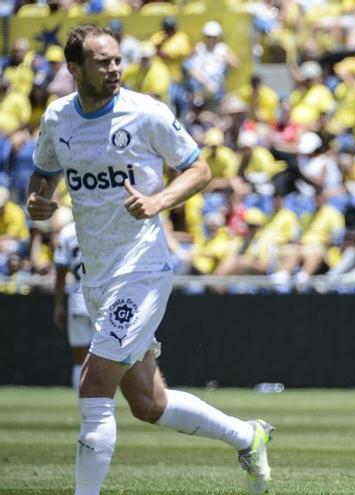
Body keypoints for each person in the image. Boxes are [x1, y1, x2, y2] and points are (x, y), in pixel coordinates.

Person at [26, 25, 272, 495]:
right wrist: (38, 203)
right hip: (96, 276)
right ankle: (248, 435)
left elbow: (199, 169)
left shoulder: (146, 113)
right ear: (74, 69)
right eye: (102, 61)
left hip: (142, 269)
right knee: (147, 403)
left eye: (117, 59)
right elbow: (42, 180)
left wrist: (159, 202)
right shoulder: (58, 119)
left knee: (94, 382)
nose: (115, 68)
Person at [53, 214, 93, 394]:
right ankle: (103, 399)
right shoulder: (102, 227)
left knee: (79, 355)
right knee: (109, 353)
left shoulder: (67, 232)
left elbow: (61, 271)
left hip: (77, 298)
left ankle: (82, 399)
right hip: (102, 296)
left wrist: (58, 304)